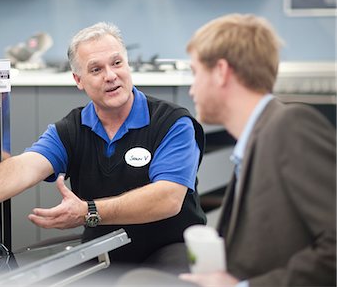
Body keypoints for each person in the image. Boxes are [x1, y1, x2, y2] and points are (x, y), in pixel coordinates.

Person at [0, 22, 206, 267]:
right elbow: (24, 166)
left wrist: (89, 211)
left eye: (117, 63)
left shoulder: (172, 122)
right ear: (78, 80)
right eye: (96, 69)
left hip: (172, 249)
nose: (111, 76)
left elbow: (168, 198)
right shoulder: (72, 128)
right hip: (105, 248)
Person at [117, 14, 336, 286]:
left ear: (221, 71)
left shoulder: (289, 126)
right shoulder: (256, 142)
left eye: (196, 73)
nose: (192, 87)